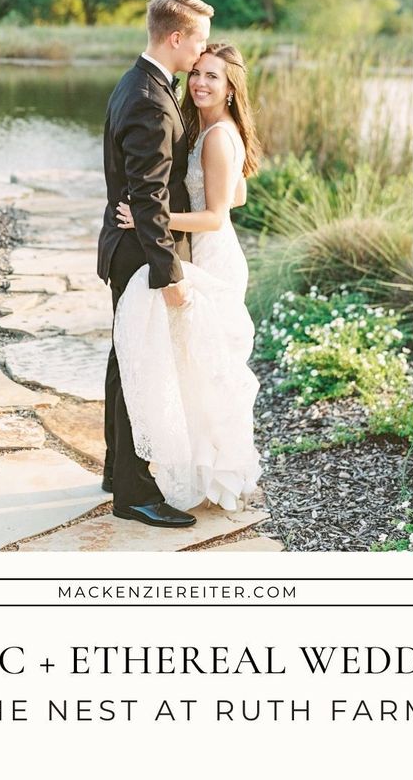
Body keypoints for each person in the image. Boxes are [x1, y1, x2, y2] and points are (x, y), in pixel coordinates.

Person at [113, 40, 262, 513]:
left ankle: (213, 468)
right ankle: (201, 467)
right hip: (208, 252)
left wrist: (149, 217)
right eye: (197, 72)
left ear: (231, 88)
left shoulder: (218, 136)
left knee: (207, 367)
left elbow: (217, 216)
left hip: (214, 257)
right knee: (196, 365)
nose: (199, 82)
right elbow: (236, 195)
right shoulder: (216, 129)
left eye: (211, 76)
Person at [97, 0, 213, 529]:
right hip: (144, 258)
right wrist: (168, 274)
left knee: (125, 363)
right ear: (175, 37)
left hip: (128, 249)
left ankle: (115, 471)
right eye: (198, 43)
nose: (200, 55)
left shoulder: (135, 82)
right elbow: (148, 196)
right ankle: (135, 494)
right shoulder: (147, 96)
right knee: (141, 370)